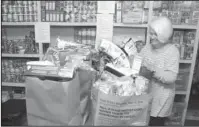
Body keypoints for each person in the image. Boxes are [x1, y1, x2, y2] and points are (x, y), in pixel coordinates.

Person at [139, 16, 180, 126]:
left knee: (155, 122)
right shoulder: (148, 47)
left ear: (163, 34)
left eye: (154, 34)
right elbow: (139, 63)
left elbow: (171, 77)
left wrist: (153, 70)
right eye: (150, 33)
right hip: (147, 94)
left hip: (161, 98)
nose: (151, 37)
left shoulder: (172, 52)